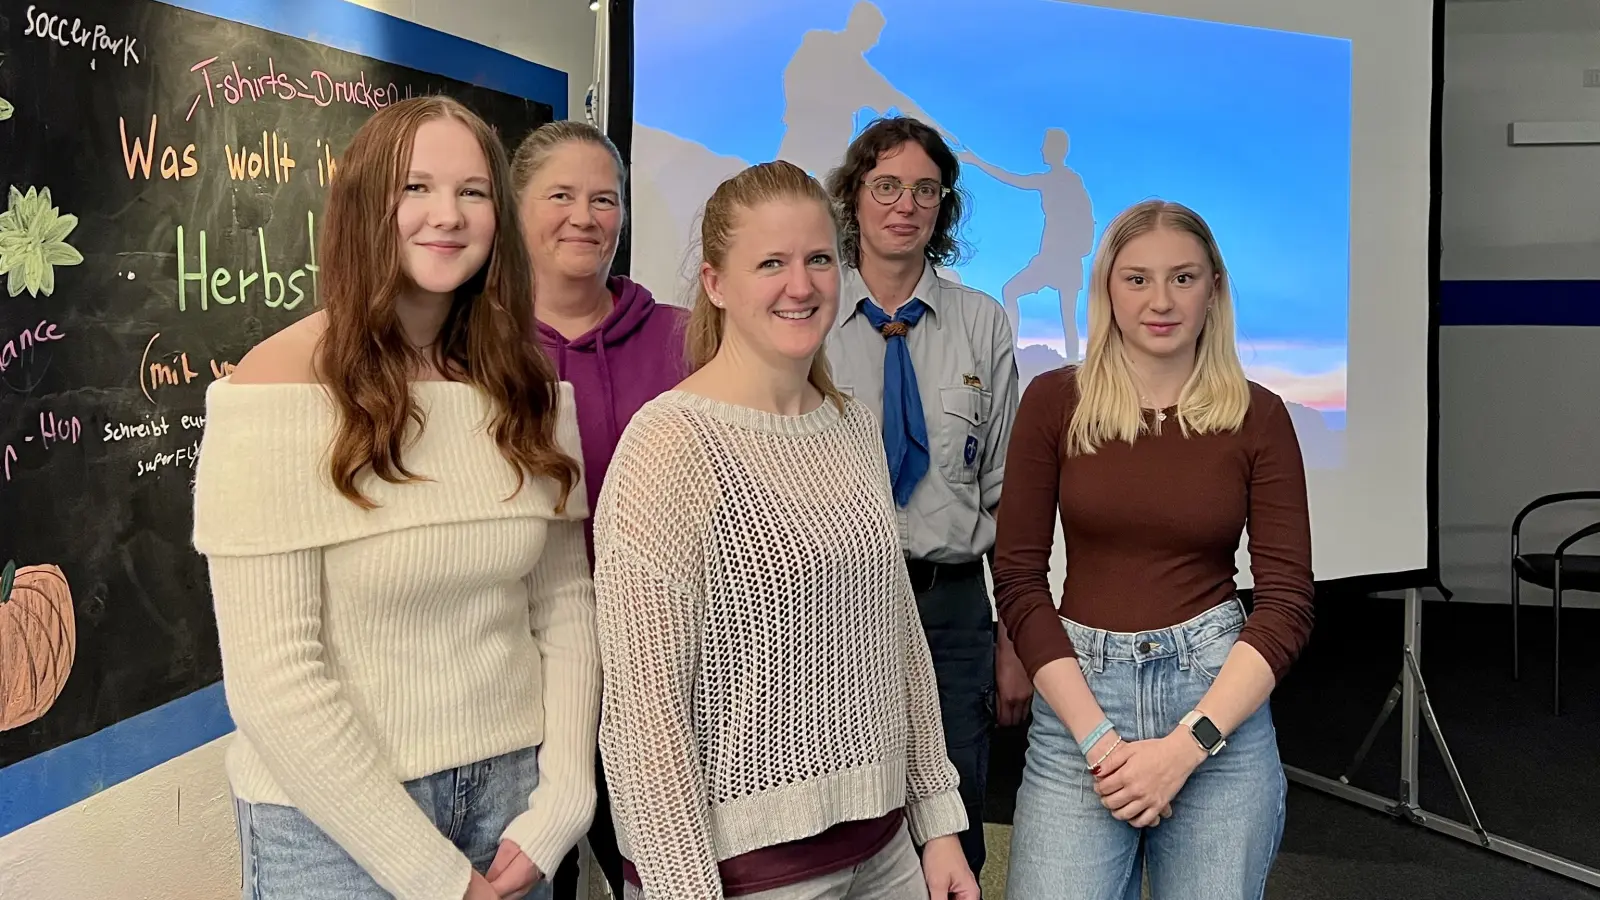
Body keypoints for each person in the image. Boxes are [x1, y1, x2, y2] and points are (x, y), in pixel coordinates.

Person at [192, 96, 601, 900]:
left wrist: (564, 799)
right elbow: (276, 681)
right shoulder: (271, 389)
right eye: (415, 187)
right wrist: (436, 878)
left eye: (474, 192)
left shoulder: (530, 390)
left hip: (514, 804)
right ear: (363, 207)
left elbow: (564, 605)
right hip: (334, 829)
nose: (446, 216)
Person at [591, 159, 979, 900]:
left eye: (818, 260)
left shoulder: (851, 425)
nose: (800, 286)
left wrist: (939, 824)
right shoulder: (670, 444)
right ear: (715, 284)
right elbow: (645, 719)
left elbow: (897, 640)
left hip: (886, 847)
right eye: (770, 262)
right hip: (748, 875)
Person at [991, 198, 1315, 898]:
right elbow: (1017, 578)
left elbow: (1287, 602)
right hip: (1080, 708)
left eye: (1183, 278)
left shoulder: (1259, 416)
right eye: (1137, 279)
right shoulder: (1054, 402)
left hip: (1215, 707)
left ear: (1214, 290)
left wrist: (1185, 748)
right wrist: (1102, 747)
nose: (1160, 301)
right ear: (1107, 287)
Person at [822, 114, 1021, 883]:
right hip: (835, 604)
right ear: (855, 197)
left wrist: (1013, 639)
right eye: (887, 186)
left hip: (951, 609)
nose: (906, 205)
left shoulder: (981, 324)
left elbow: (1006, 491)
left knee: (956, 817)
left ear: (944, 206)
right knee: (846, 816)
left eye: (926, 190)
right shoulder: (808, 318)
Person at [511, 119, 689, 900]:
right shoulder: (473, 349)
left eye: (604, 199)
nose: (585, 216)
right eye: (561, 195)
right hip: (526, 675)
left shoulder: (689, 341)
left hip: (662, 671)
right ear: (517, 209)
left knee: (661, 874)